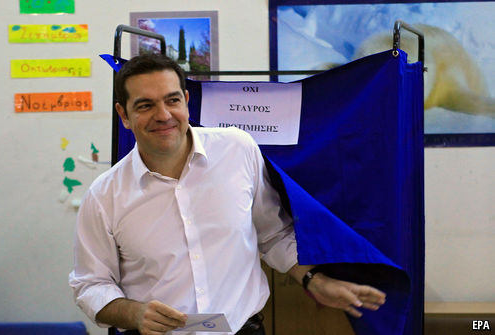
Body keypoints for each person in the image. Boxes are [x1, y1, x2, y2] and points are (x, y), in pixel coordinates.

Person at [69, 53, 386, 335]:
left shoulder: (238, 149)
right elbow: (90, 284)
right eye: (145, 105)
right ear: (124, 115)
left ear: (186, 102)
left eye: (172, 100)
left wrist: (315, 281)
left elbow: (272, 234)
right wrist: (134, 313)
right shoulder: (104, 195)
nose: (163, 115)